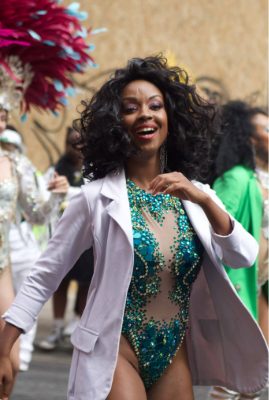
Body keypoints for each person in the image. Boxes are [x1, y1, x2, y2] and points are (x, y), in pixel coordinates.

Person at [0, 56, 267, 400]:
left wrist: (202, 198)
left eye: (155, 106)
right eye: (131, 108)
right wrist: (5, 347)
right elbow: (45, 275)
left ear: (171, 118)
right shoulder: (96, 198)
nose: (145, 114)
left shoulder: (195, 195)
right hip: (113, 350)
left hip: (173, 352)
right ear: (116, 123)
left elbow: (243, 255)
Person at [0, 107, 69, 389]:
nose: (0, 121)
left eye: (3, 115)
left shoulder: (16, 163)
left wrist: (56, 196)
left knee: (11, 363)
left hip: (1, 266)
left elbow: (37, 215)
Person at [208, 101, 268, 400]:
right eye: (266, 128)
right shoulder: (237, 178)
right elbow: (214, 229)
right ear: (248, 138)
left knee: (256, 377)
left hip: (261, 284)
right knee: (233, 378)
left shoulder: (258, 178)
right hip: (239, 282)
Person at [38, 127, 94, 351]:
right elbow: (44, 198)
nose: (78, 148)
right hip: (62, 235)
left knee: (85, 283)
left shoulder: (96, 171)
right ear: (65, 144)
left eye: (82, 144)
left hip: (89, 238)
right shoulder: (56, 170)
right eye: (72, 143)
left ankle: (77, 328)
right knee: (60, 282)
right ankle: (57, 328)